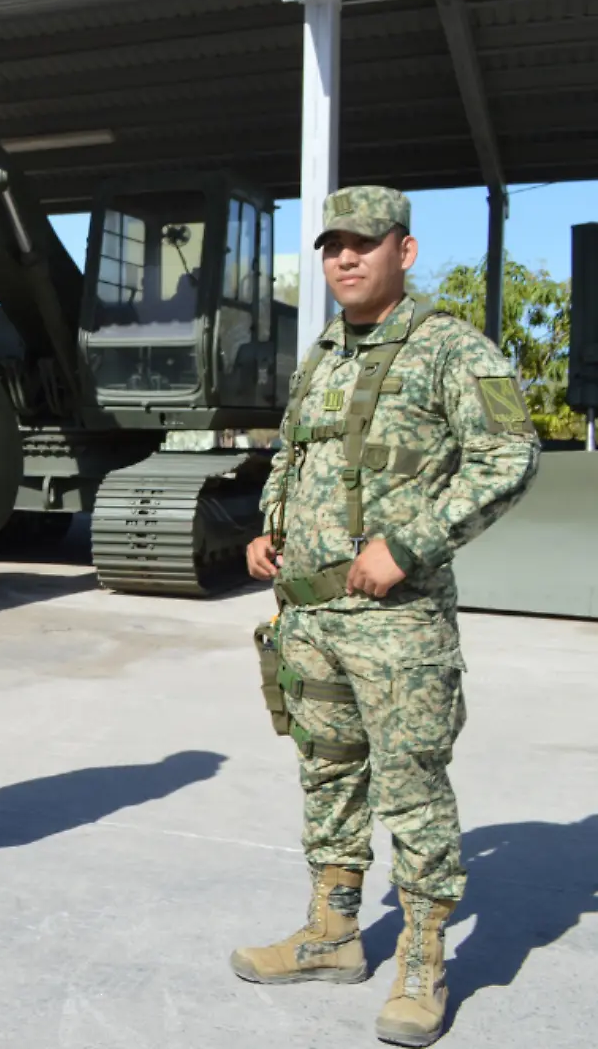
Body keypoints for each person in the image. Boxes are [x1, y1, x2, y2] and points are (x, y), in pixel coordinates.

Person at [234, 186, 540, 1047]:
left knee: (412, 791)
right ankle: (333, 934)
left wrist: (408, 543)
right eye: (332, 245)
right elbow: (294, 454)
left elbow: (510, 455)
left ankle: (423, 960)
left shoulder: (449, 350)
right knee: (328, 779)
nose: (344, 259)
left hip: (398, 625)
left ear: (403, 253)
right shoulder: (324, 353)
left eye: (362, 245)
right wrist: (271, 528)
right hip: (313, 621)